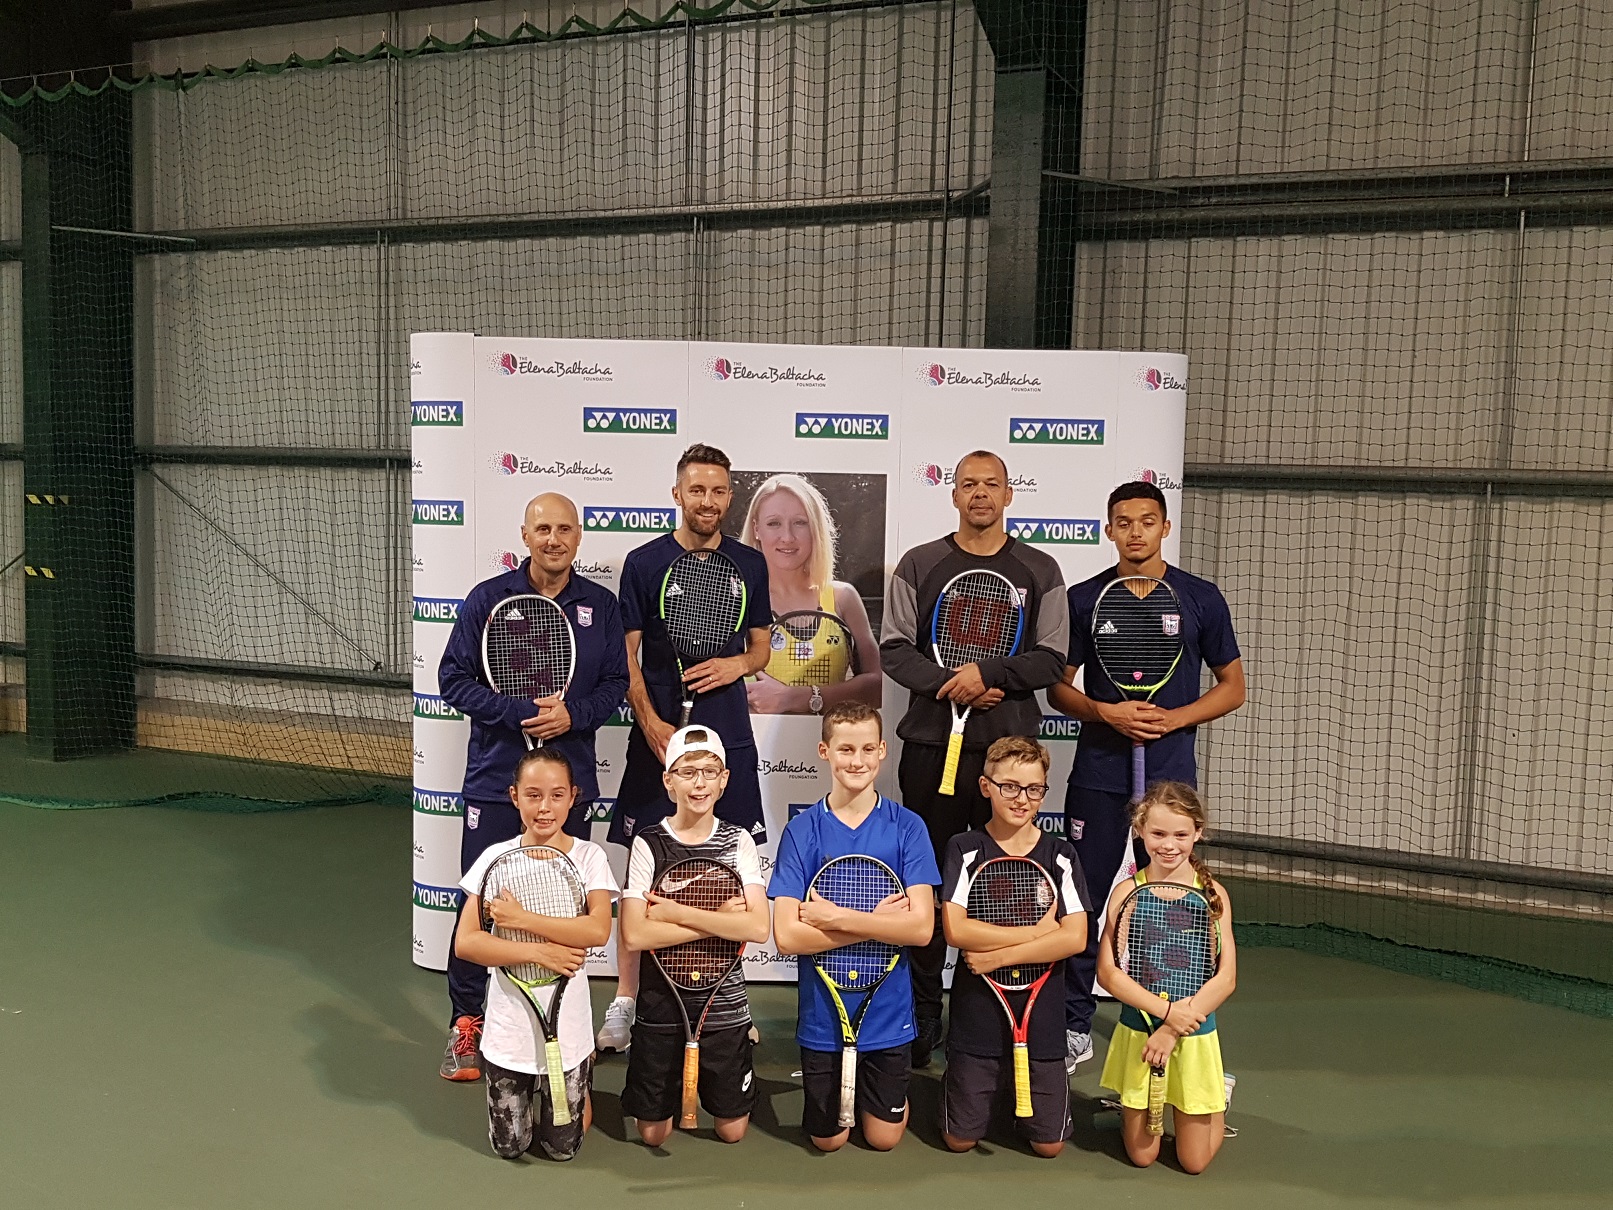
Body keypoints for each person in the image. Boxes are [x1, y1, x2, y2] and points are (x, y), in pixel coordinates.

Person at [879, 450, 1070, 1064]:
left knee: (1003, 884)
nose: (980, 494)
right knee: (929, 882)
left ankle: (989, 1011)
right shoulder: (920, 563)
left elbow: (1051, 660)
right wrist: (949, 684)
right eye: (969, 484)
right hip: (933, 750)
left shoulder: (1040, 569)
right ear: (953, 494)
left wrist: (986, 671)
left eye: (992, 484)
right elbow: (894, 650)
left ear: (1010, 494)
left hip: (1010, 756)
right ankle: (922, 1015)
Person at [1049, 480, 1244, 1073]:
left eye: (1147, 521)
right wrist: (1104, 711)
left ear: (1164, 527)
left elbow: (1233, 687)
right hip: (1099, 775)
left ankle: (1181, 1024)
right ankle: (1076, 1024)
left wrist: (1174, 717)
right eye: (1123, 522)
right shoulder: (1083, 599)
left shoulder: (1200, 599)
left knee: (1175, 906)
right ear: (1108, 530)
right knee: (1084, 901)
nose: (1135, 531)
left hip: (1169, 782)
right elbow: (1058, 688)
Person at [436, 492, 630, 1081]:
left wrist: (574, 716)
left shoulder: (601, 605)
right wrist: (515, 711)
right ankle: (468, 1022)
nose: (553, 539)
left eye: (564, 529)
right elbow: (452, 679)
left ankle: (561, 1032)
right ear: (524, 534)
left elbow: (617, 684)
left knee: (565, 907)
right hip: (497, 783)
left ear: (579, 535)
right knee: (483, 906)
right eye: (542, 528)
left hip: (569, 785)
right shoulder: (486, 600)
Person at [597, 443, 773, 1052]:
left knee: (727, 868)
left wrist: (734, 666)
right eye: (696, 490)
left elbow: (761, 651)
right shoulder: (644, 564)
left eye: (718, 491)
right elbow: (627, 658)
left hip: (729, 734)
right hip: (658, 738)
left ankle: (728, 1000)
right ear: (677, 494)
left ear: (730, 496)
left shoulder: (750, 564)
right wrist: (647, 722)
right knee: (639, 877)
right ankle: (625, 998)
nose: (707, 501)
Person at [769, 701, 938, 1152]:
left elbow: (921, 929)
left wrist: (835, 918)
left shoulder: (909, 827)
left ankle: (888, 1098)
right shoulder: (802, 831)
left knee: (883, 1140)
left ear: (883, 751)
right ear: (825, 751)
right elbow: (787, 936)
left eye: (867, 748)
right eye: (845, 749)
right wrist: (884, 922)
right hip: (824, 1013)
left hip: (889, 1012)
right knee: (828, 1141)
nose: (857, 761)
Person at [454, 748, 619, 1160]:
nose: (544, 808)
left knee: (562, 1149)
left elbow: (597, 929)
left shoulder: (589, 857)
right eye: (533, 795)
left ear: (573, 797)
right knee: (509, 1147)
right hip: (507, 1032)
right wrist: (544, 954)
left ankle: (581, 1078)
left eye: (557, 795)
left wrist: (521, 918)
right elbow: (467, 943)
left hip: (571, 1028)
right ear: (514, 796)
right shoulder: (494, 860)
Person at [618, 726, 772, 1146]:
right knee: (652, 1134)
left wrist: (675, 912)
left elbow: (758, 927)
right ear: (669, 781)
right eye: (687, 772)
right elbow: (634, 933)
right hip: (661, 1003)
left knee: (733, 1131)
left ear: (724, 780)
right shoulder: (649, 843)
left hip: (724, 1004)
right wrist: (719, 916)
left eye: (709, 771)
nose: (699, 782)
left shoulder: (738, 841)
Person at [939, 736, 1090, 1157]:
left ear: (1044, 791)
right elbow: (955, 929)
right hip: (977, 1016)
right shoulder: (964, 848)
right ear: (986, 786)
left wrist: (999, 955)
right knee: (959, 1140)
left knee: (1049, 1147)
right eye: (1009, 786)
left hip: (1041, 1018)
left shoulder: (1061, 855)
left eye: (1033, 789)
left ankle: (1010, 1091)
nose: (1022, 799)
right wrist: (1039, 934)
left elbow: (1075, 937)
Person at [1095, 781, 1237, 1174]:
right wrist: (1163, 1014)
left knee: (1194, 1163)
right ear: (1140, 831)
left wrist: (1174, 1027)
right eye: (1157, 833)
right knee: (1143, 1157)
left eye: (1181, 834)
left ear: (1198, 833)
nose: (1168, 844)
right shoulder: (1127, 892)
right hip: (1138, 1028)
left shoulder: (1213, 895)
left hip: (1193, 1030)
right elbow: (1108, 972)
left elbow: (1225, 979)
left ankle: (1216, 1095)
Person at [739, 473, 882, 713]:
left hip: (832, 747)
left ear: (815, 528)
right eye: (774, 523)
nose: (787, 537)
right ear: (756, 529)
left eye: (800, 522)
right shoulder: (736, 601)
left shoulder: (842, 598)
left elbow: (877, 687)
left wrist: (798, 698)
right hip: (756, 748)